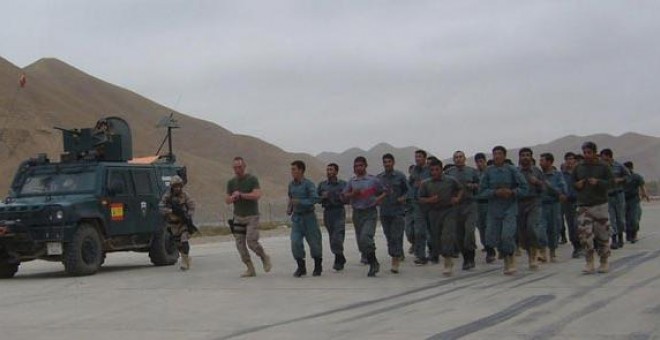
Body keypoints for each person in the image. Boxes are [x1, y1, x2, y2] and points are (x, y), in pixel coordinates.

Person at [478, 146, 528, 275]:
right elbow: (481, 192)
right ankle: (505, 257)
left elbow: (524, 188)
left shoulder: (512, 170)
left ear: (505, 156)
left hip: (510, 207)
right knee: (493, 237)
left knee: (507, 234)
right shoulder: (488, 172)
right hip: (494, 209)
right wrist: (495, 192)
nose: (497, 156)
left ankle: (510, 259)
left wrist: (512, 192)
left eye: (500, 154)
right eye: (495, 154)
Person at [225, 157, 272, 277]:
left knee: (251, 241)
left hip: (252, 216)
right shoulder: (231, 183)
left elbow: (257, 195)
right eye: (235, 167)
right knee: (240, 244)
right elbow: (227, 199)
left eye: (239, 167)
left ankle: (264, 257)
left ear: (244, 167)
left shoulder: (252, 179)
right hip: (238, 216)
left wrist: (241, 195)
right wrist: (233, 198)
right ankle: (250, 268)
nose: (237, 170)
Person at [573, 142, 614, 274]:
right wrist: (577, 185)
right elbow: (572, 183)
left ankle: (603, 261)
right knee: (585, 236)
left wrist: (599, 182)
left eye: (589, 152)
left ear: (595, 152)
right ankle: (589, 261)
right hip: (583, 206)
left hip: (600, 205)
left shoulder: (603, 167)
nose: (586, 155)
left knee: (602, 234)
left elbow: (612, 183)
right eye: (584, 153)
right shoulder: (578, 167)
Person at [343, 156, 387, 277]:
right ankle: (368, 257)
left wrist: (378, 199)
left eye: (361, 165)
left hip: (370, 212)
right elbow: (344, 196)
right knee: (361, 242)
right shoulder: (352, 181)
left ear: (365, 166)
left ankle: (373, 263)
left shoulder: (373, 180)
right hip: (357, 213)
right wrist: (353, 194)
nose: (358, 168)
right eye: (356, 166)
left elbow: (384, 191)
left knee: (366, 237)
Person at [419, 158, 463, 276]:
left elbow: (460, 189)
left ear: (441, 170)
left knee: (447, 236)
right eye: (432, 170)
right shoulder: (425, 183)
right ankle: (440, 254)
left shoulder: (450, 180)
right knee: (436, 238)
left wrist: (457, 198)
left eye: (437, 169)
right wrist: (429, 200)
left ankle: (448, 262)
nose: (434, 172)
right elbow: (420, 198)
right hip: (434, 212)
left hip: (448, 211)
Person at [445, 151, 480, 270]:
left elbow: (481, 185)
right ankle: (466, 259)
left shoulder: (472, 171)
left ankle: (471, 257)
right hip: (455, 207)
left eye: (460, 157)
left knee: (469, 232)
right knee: (459, 235)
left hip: (470, 204)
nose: (458, 159)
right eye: (456, 157)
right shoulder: (449, 173)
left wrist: (474, 186)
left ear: (465, 159)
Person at [288, 160, 323, 277]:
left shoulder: (309, 184)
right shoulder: (291, 185)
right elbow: (291, 197)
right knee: (295, 242)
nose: (292, 172)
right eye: (291, 169)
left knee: (314, 243)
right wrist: (290, 208)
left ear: (301, 170)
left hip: (309, 217)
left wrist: (301, 202)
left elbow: (315, 199)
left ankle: (318, 266)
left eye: (294, 169)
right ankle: (301, 267)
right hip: (297, 218)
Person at [377, 153, 409, 273]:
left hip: (398, 211)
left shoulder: (400, 176)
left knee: (396, 236)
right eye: (385, 162)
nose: (387, 164)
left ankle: (395, 260)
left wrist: (403, 198)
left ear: (393, 162)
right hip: (385, 212)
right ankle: (396, 253)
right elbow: (376, 192)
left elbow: (408, 191)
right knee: (389, 236)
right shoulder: (379, 178)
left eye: (389, 162)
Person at [159, 175, 195, 271]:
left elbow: (192, 206)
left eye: (179, 186)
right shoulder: (167, 196)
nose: (177, 188)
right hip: (173, 224)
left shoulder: (185, 195)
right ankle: (186, 258)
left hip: (183, 223)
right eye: (175, 186)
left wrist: (188, 215)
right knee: (178, 244)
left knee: (184, 241)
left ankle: (185, 260)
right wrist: (170, 211)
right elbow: (161, 207)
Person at [516, 148, 544, 270]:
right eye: (523, 155)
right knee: (522, 233)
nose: (525, 157)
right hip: (519, 203)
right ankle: (530, 252)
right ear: (519, 158)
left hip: (534, 202)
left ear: (531, 157)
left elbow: (544, 188)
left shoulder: (537, 171)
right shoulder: (516, 172)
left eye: (528, 155)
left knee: (532, 228)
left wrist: (537, 183)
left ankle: (534, 255)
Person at [317, 163, 348, 271]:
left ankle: (338, 257)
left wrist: (342, 197)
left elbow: (348, 198)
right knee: (332, 236)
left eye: (331, 170)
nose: (329, 172)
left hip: (339, 211)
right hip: (328, 212)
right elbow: (316, 198)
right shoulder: (322, 185)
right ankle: (340, 257)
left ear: (336, 172)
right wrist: (322, 197)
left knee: (337, 236)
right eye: (327, 170)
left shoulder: (343, 184)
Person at [539, 153, 567, 263]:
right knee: (541, 229)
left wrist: (548, 185)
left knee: (554, 229)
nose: (540, 163)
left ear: (550, 162)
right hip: (541, 205)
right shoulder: (539, 175)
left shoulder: (558, 175)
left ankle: (552, 252)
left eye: (542, 160)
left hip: (554, 205)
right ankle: (542, 252)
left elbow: (562, 192)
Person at [600, 149, 631, 249]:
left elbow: (628, 176)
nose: (602, 159)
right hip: (608, 196)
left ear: (609, 156)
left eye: (604, 157)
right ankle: (614, 240)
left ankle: (621, 237)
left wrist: (620, 179)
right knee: (611, 219)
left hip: (619, 195)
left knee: (620, 218)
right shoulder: (602, 168)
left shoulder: (619, 166)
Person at [408, 150, 431, 265]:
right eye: (416, 156)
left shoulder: (431, 170)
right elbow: (410, 184)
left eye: (420, 157)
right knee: (419, 231)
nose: (417, 159)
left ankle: (434, 251)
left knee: (432, 230)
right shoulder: (414, 171)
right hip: (417, 204)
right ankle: (421, 255)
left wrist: (424, 183)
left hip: (430, 204)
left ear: (425, 158)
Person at [474, 153, 494, 262]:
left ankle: (491, 250)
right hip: (478, 203)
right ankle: (487, 246)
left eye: (481, 161)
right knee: (481, 228)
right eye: (477, 162)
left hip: (489, 203)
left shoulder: (490, 173)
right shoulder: (475, 174)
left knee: (489, 227)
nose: (479, 164)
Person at [623, 161, 650, 243]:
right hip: (623, 200)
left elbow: (642, 186)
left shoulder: (636, 177)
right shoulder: (621, 178)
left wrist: (645, 195)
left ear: (631, 168)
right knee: (625, 219)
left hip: (634, 200)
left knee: (634, 219)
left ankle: (634, 234)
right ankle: (628, 234)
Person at [561, 152, 582, 258]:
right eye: (567, 159)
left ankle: (584, 245)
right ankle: (576, 247)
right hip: (567, 203)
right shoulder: (561, 175)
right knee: (571, 226)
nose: (569, 161)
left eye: (571, 159)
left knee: (578, 224)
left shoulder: (580, 173)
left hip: (579, 202)